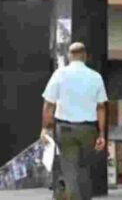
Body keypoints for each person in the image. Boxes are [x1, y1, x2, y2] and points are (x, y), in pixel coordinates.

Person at [40, 42, 108, 200]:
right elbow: (101, 107)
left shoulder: (59, 74)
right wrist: (101, 134)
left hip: (65, 129)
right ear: (85, 56)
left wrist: (44, 128)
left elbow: (48, 104)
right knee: (84, 169)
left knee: (69, 169)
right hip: (88, 130)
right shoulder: (96, 77)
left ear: (69, 56)